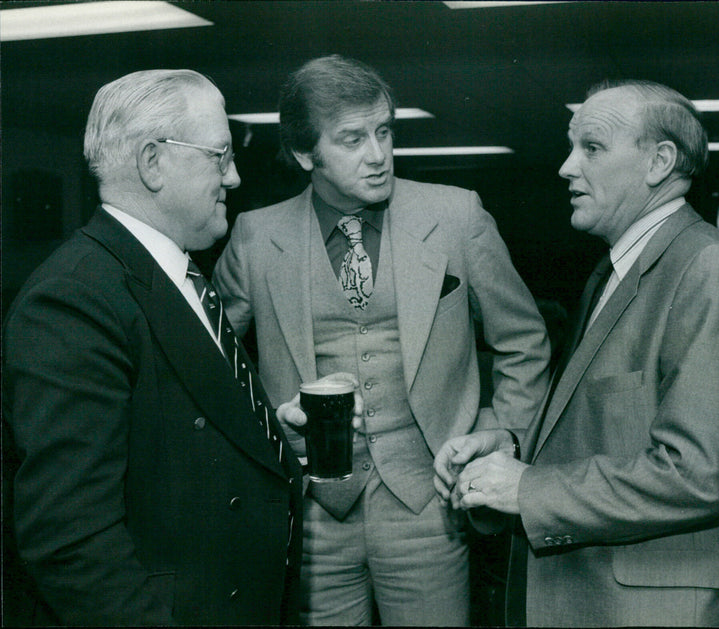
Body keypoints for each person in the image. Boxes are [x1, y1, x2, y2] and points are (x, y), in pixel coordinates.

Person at [434, 80, 719, 627]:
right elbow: (603, 429)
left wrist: (526, 486)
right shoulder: (612, 271)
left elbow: (700, 473)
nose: (565, 166)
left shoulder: (710, 271)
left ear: (660, 161)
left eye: (592, 148)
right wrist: (507, 447)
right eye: (571, 145)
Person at [212, 54, 550, 626]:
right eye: (351, 139)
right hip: (314, 510)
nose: (378, 154)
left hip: (428, 504)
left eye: (384, 131)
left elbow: (524, 340)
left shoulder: (455, 216)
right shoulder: (255, 236)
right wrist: (268, 431)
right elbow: (209, 366)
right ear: (304, 154)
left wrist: (500, 436)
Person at [2, 69, 303, 626]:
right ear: (152, 162)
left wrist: (270, 442)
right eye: (220, 155)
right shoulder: (74, 299)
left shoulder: (173, 273)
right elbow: (71, 540)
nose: (234, 177)